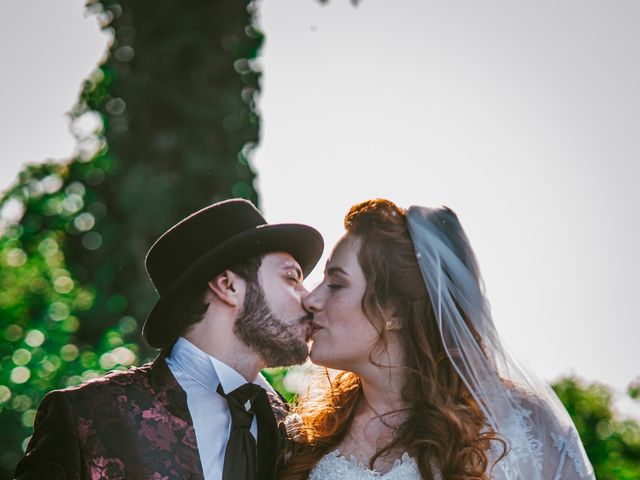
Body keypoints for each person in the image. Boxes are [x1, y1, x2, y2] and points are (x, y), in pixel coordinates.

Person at [281, 198, 594, 480]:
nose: (311, 299)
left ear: (396, 310)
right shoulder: (307, 430)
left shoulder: (519, 427)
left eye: (336, 284)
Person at [14, 198, 324, 480]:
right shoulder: (87, 415)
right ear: (228, 286)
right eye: (292, 278)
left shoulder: (300, 432)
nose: (310, 299)